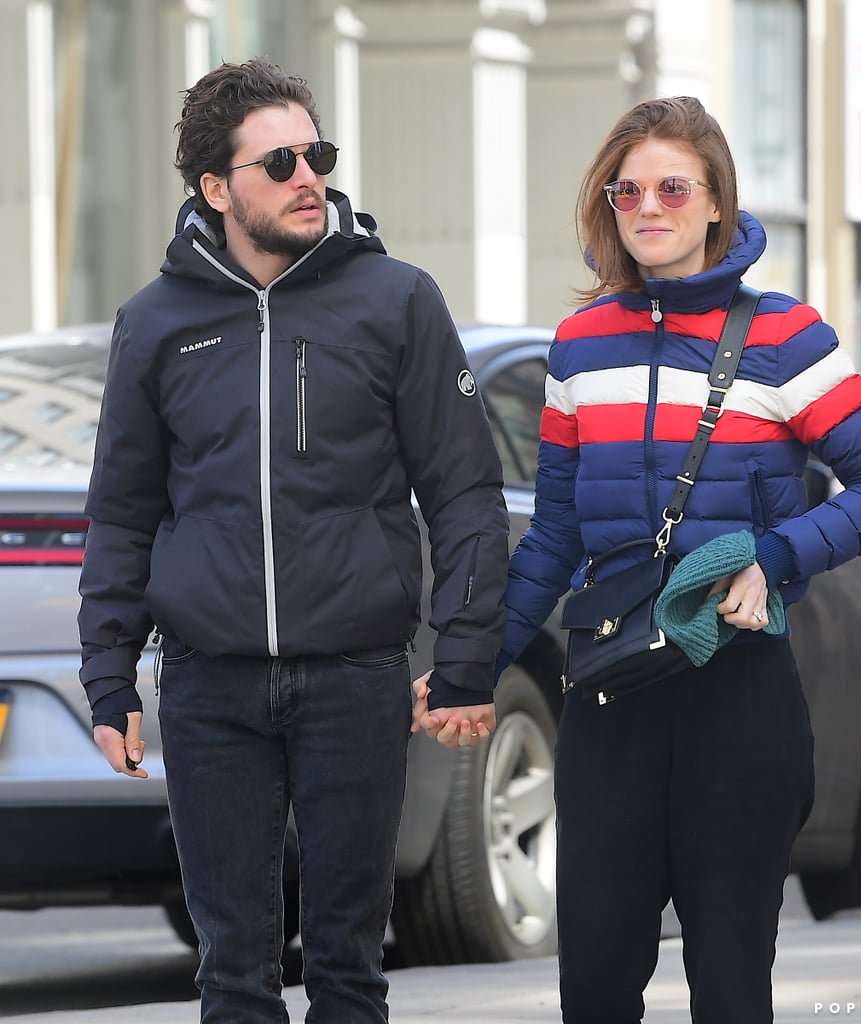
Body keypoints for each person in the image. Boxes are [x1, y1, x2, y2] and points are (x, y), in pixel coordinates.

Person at [419, 96, 861, 1023]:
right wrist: (469, 667)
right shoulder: (577, 347)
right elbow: (557, 533)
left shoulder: (785, 336)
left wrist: (776, 554)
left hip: (741, 698)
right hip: (611, 703)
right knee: (596, 988)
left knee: (731, 986)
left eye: (671, 187)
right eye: (626, 190)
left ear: (715, 203)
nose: (648, 206)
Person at [78, 57, 508, 1024]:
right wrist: (108, 677)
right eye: (279, 162)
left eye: (316, 153)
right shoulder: (154, 324)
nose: (308, 175)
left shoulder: (397, 300)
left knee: (350, 973)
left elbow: (464, 491)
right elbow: (123, 509)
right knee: (232, 975)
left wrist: (470, 655)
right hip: (207, 683)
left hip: (358, 676)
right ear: (217, 188)